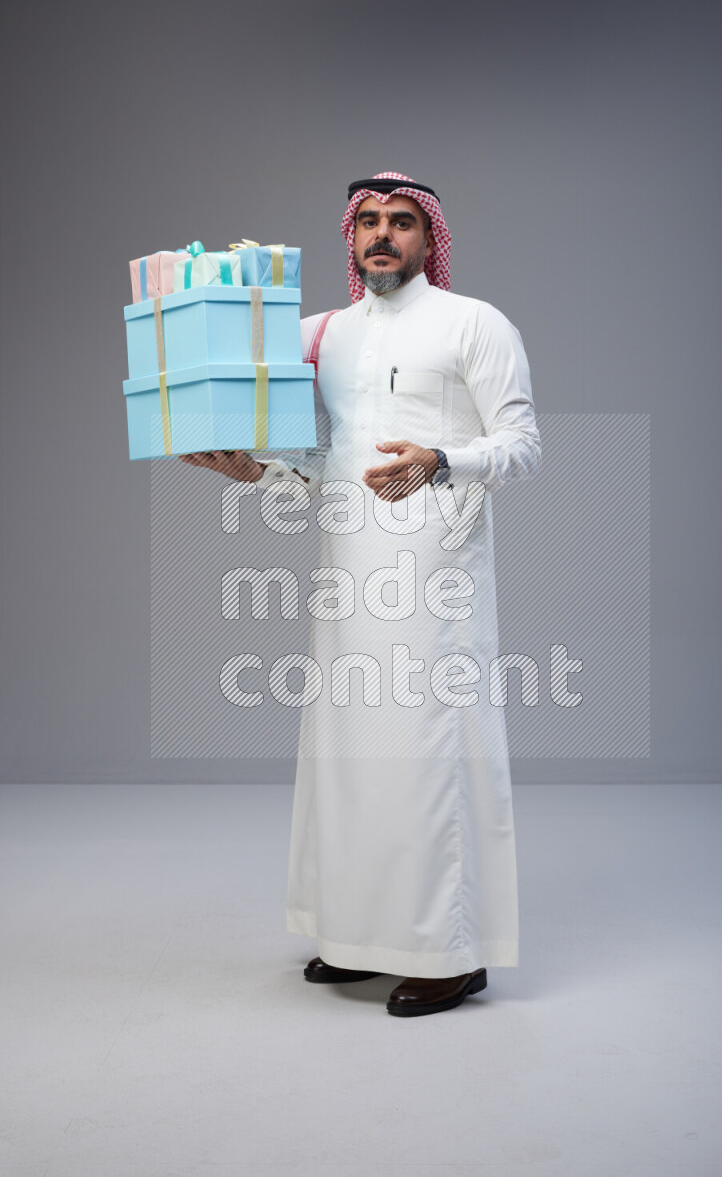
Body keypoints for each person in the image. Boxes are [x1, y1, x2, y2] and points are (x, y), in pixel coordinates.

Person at [179, 171, 542, 1017]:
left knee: (426, 760)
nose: (383, 235)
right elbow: (318, 470)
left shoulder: (473, 324)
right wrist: (252, 469)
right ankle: (357, 938)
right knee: (348, 761)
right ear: (350, 238)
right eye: (369, 222)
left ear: (429, 238)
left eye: (403, 222)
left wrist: (442, 460)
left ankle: (451, 953)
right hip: (347, 578)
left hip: (436, 580)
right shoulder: (324, 333)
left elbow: (523, 445)